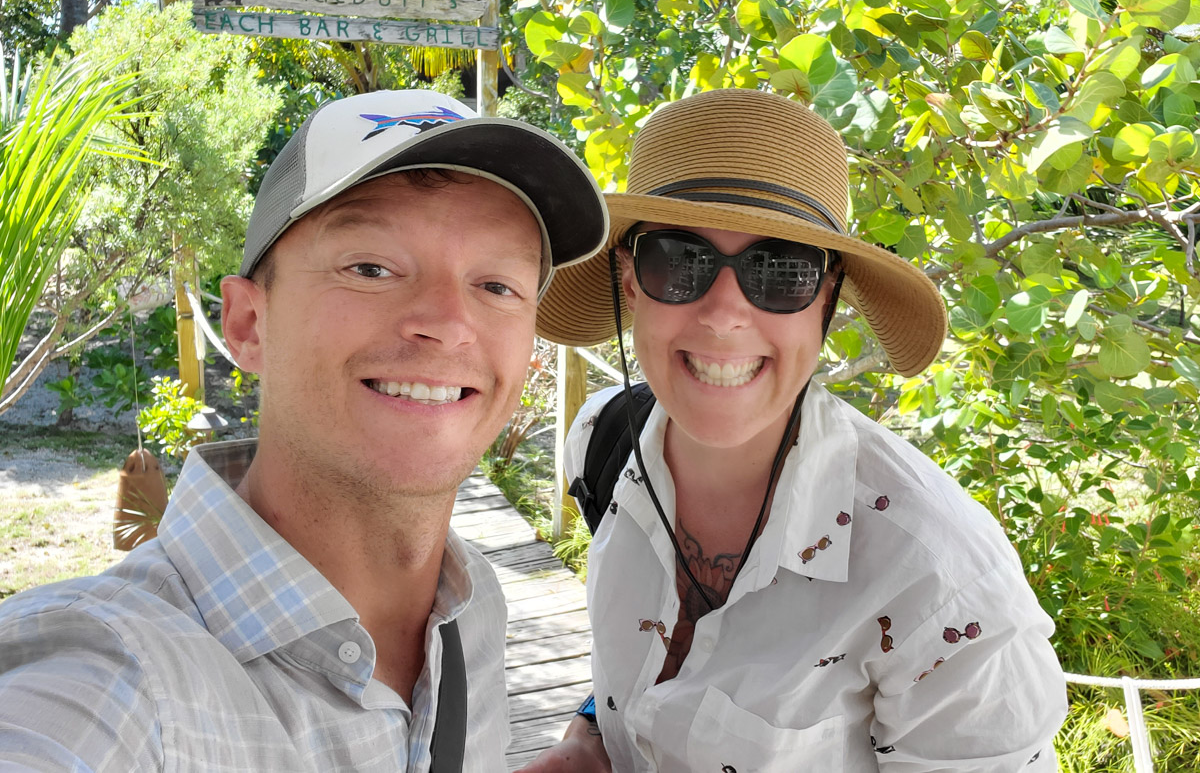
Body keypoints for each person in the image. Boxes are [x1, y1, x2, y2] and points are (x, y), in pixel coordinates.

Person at [0, 90, 608, 772]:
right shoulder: (114, 675)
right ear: (247, 324)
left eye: (497, 285)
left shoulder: (471, 610)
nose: (446, 319)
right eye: (371, 268)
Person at [527, 89, 1067, 772]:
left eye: (779, 270)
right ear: (631, 280)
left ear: (829, 297)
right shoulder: (604, 442)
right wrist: (591, 741)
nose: (723, 314)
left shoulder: (937, 585)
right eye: (678, 261)